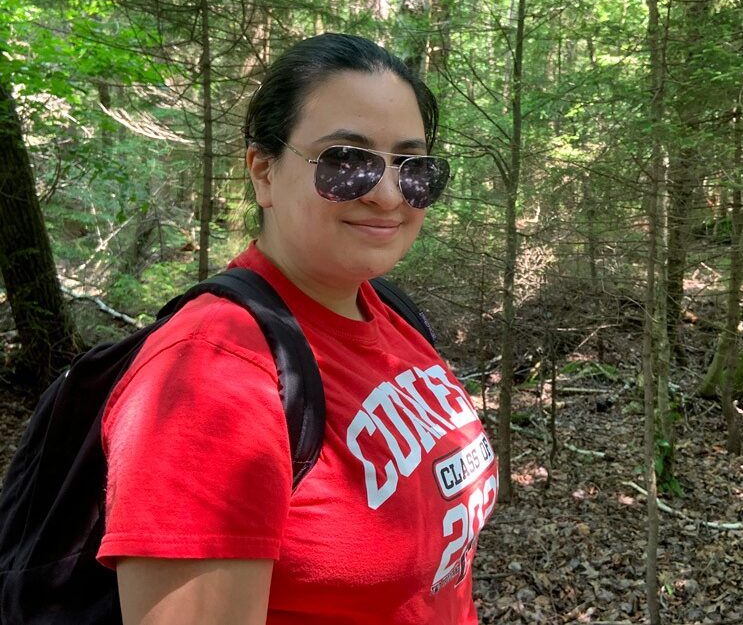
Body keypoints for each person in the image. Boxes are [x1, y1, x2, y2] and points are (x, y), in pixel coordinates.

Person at [97, 33, 497, 625]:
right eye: (345, 160)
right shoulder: (210, 375)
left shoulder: (387, 310)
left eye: (413, 167)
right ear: (263, 170)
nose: (388, 195)